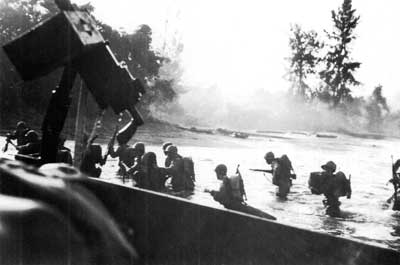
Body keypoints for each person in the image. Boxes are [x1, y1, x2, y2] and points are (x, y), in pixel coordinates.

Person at [206, 164, 275, 220]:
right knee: (258, 213)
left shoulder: (225, 182)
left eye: (216, 173)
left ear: (218, 173)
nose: (216, 175)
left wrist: (211, 192)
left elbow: (222, 197)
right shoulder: (227, 180)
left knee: (259, 214)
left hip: (234, 206)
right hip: (238, 204)